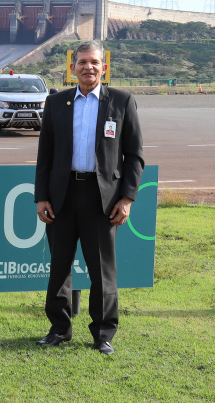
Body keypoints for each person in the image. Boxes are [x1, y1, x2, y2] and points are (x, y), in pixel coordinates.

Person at [34, 40, 144, 355]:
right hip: (62, 197)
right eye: (82, 62)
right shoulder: (56, 103)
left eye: (94, 62)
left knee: (102, 270)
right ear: (73, 68)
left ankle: (103, 334)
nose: (88, 67)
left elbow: (134, 156)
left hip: (103, 200)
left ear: (104, 67)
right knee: (59, 267)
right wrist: (42, 196)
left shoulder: (122, 102)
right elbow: (45, 155)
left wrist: (127, 199)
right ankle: (59, 329)